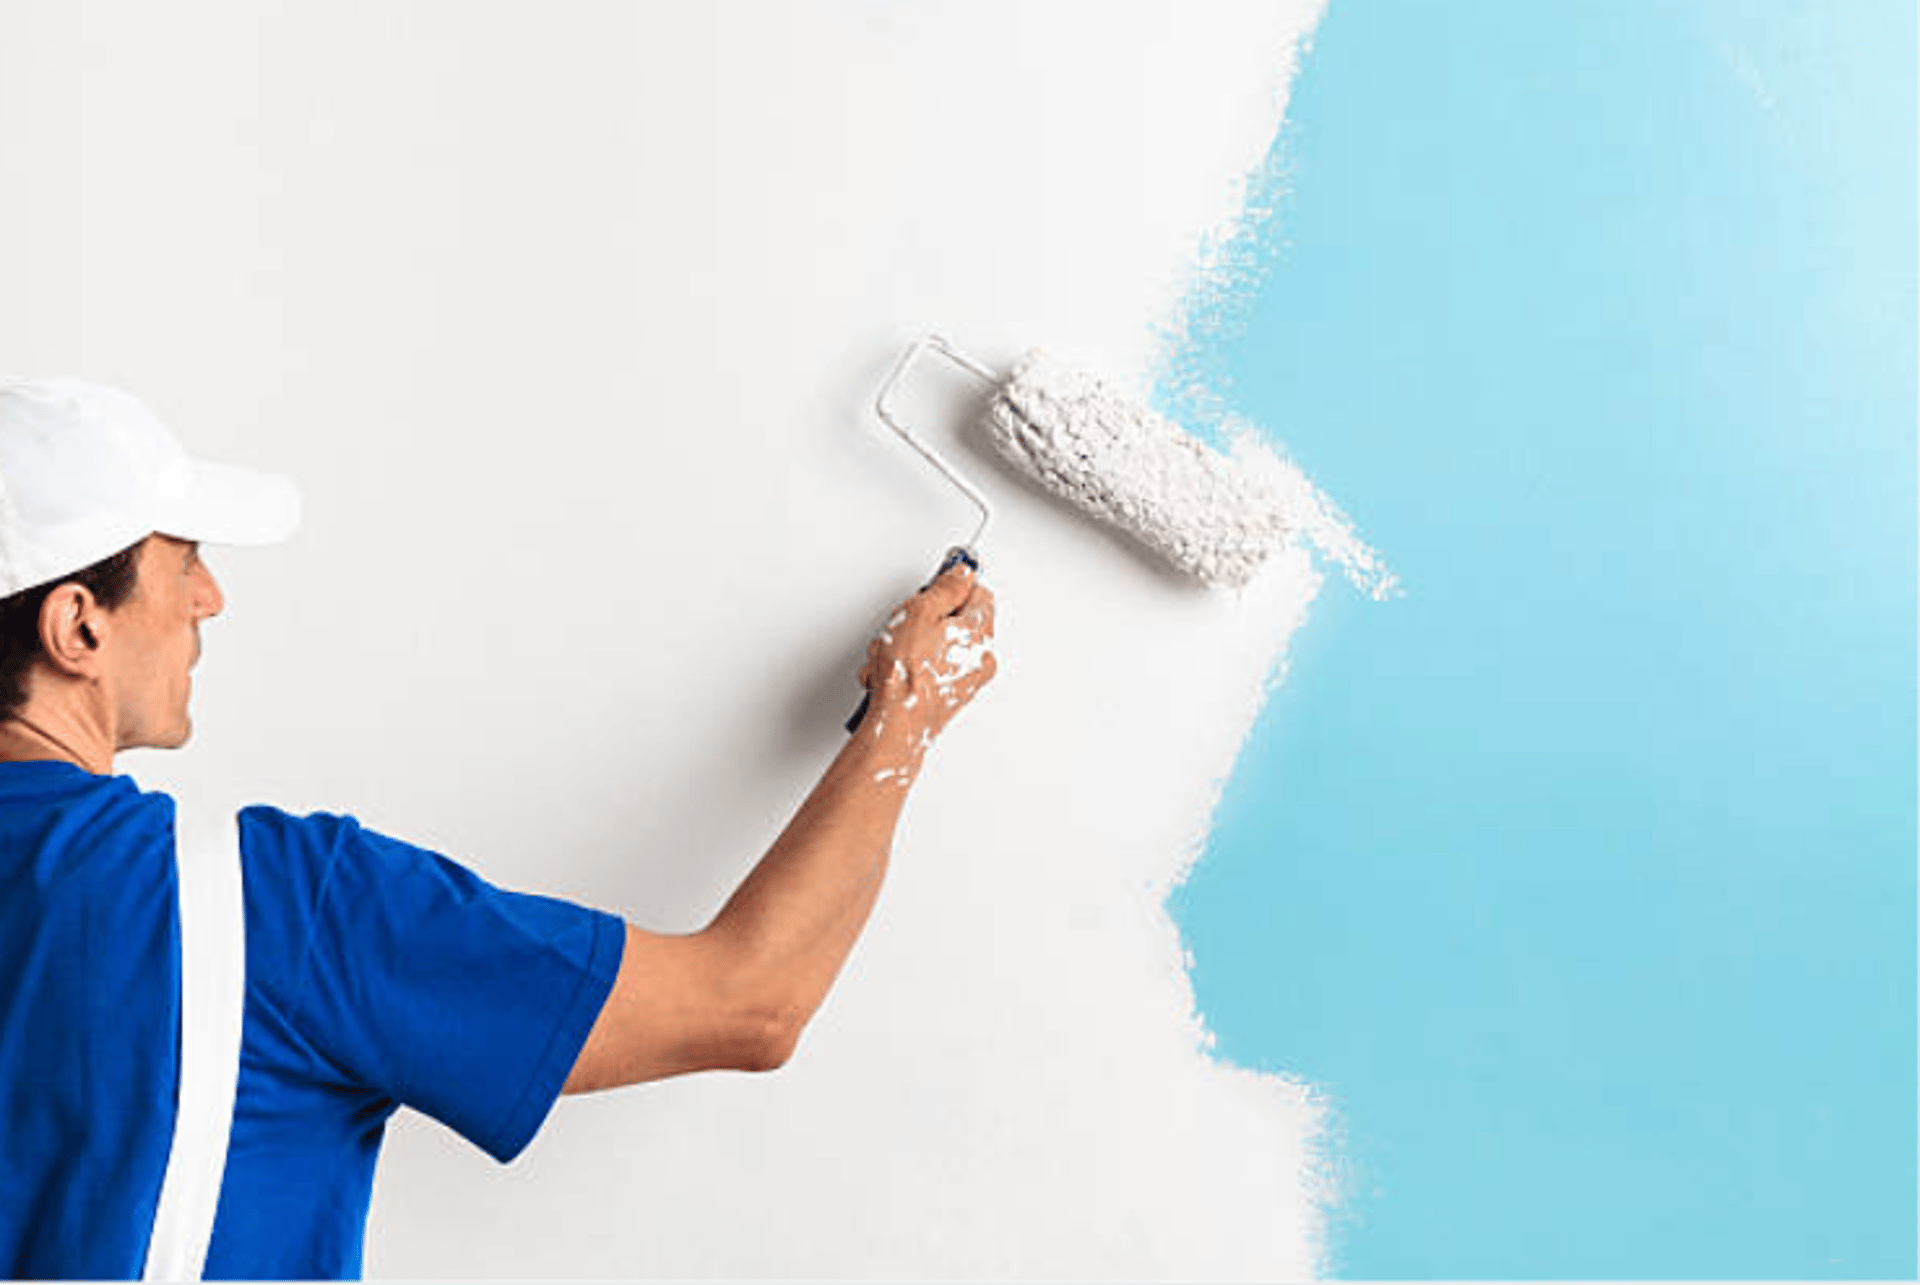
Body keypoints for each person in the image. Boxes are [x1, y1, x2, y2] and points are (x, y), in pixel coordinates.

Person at [0, 375, 996, 1279]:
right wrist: (906, 714)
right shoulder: (277, 910)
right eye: (183, 561)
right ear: (78, 626)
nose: (209, 598)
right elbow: (748, 1001)